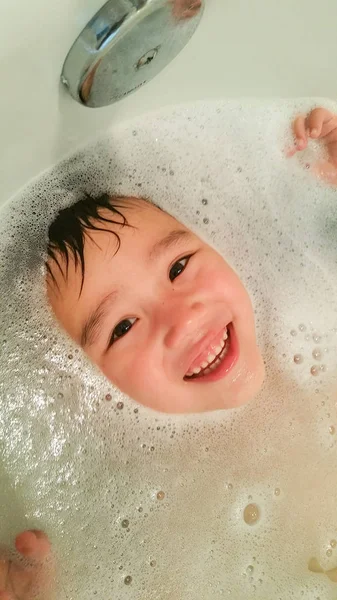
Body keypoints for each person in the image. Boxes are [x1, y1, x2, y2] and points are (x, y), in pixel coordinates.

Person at [1, 106, 336, 598]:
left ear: (228, 243)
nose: (181, 320)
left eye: (179, 266)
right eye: (123, 326)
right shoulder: (144, 518)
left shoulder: (311, 298)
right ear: (84, 389)